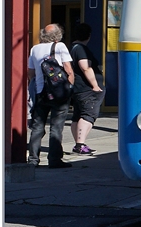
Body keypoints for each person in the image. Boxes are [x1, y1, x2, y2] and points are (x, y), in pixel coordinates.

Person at [27, 23, 75, 168]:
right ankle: (54, 160)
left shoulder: (34, 48)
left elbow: (30, 73)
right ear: (58, 35)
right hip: (59, 93)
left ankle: (33, 160)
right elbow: (68, 69)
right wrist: (69, 87)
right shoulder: (59, 46)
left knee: (37, 127)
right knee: (56, 127)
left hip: (41, 93)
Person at [68, 23, 106, 155]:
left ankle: (78, 143)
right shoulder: (81, 49)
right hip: (87, 89)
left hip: (77, 89)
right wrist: (95, 85)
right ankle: (80, 145)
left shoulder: (71, 48)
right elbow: (85, 67)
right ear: (88, 35)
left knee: (77, 115)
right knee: (88, 115)